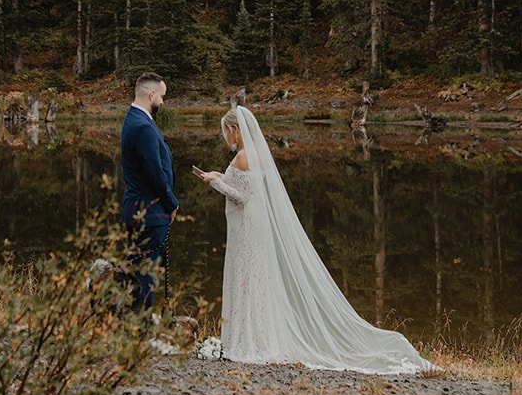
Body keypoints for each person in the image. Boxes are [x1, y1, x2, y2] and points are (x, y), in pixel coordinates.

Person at [196, 105, 431, 373]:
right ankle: (255, 335)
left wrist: (213, 181)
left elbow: (241, 195)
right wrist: (220, 176)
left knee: (246, 275)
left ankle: (246, 340)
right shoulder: (258, 153)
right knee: (255, 276)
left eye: (225, 131)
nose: (224, 136)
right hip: (253, 222)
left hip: (246, 224)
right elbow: (245, 186)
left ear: (235, 130)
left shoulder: (242, 156)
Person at [120, 72, 178, 310]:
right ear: (151, 93)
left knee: (140, 273)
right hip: (149, 212)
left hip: (140, 209)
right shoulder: (142, 127)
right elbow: (155, 174)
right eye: (162, 96)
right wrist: (172, 203)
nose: (163, 102)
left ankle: (135, 329)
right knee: (146, 277)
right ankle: (142, 331)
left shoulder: (134, 119)